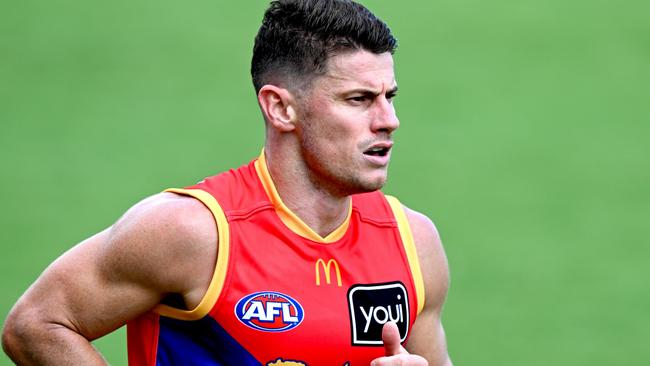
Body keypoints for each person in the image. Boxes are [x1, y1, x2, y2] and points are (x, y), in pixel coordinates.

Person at [2, 0, 452, 365]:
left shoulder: (413, 242)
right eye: (359, 100)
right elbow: (36, 326)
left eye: (389, 97)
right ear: (281, 108)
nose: (388, 121)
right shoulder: (194, 232)